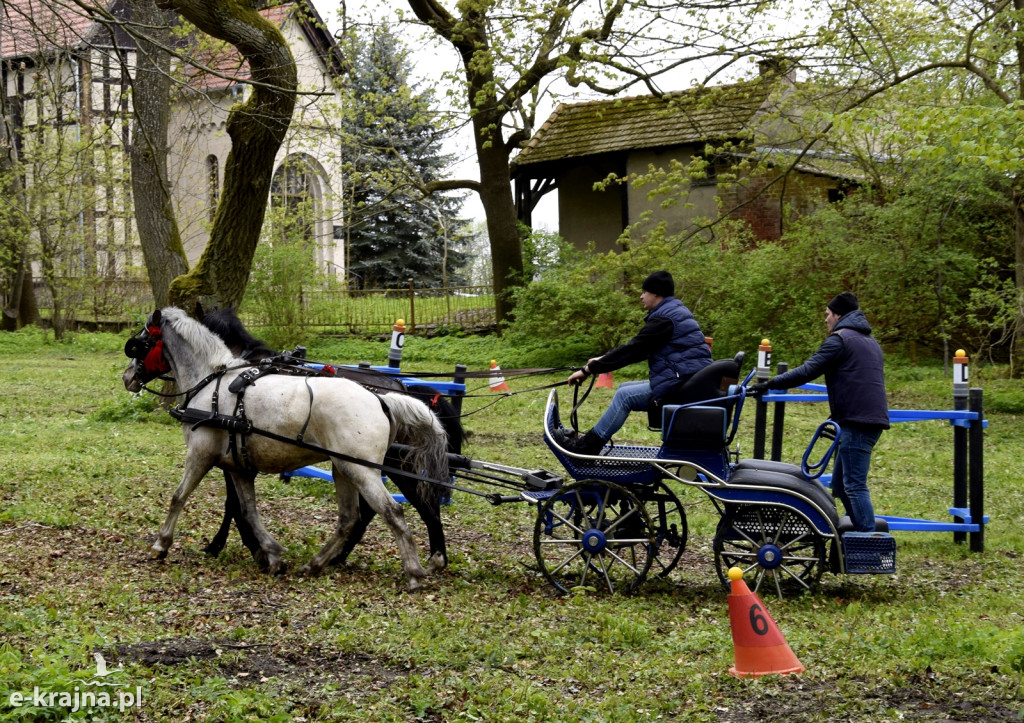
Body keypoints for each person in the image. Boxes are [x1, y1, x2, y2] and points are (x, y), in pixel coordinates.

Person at [750, 292, 889, 532]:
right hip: (860, 419)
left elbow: (807, 370)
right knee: (840, 484)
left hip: (857, 422)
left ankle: (870, 540)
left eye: (827, 314)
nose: (825, 320)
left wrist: (770, 383)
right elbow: (857, 382)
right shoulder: (868, 341)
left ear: (838, 315)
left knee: (854, 485)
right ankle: (855, 534)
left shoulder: (840, 340)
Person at [555, 270, 713, 455]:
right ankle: (588, 443)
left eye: (644, 292)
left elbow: (633, 350)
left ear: (656, 293)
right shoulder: (675, 312)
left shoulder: (665, 319)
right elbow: (641, 348)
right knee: (624, 388)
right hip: (687, 380)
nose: (641, 296)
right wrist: (601, 360)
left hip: (681, 386)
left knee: (625, 396)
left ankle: (587, 447)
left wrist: (589, 369)